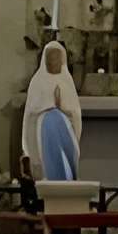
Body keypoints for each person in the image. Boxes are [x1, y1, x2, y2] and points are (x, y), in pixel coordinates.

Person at [22, 41, 83, 181]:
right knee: (51, 119)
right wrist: (50, 106)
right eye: (51, 57)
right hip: (44, 127)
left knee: (57, 119)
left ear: (62, 60)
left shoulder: (67, 81)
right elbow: (31, 111)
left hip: (65, 127)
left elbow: (75, 112)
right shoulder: (38, 81)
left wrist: (61, 106)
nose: (54, 61)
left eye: (57, 57)